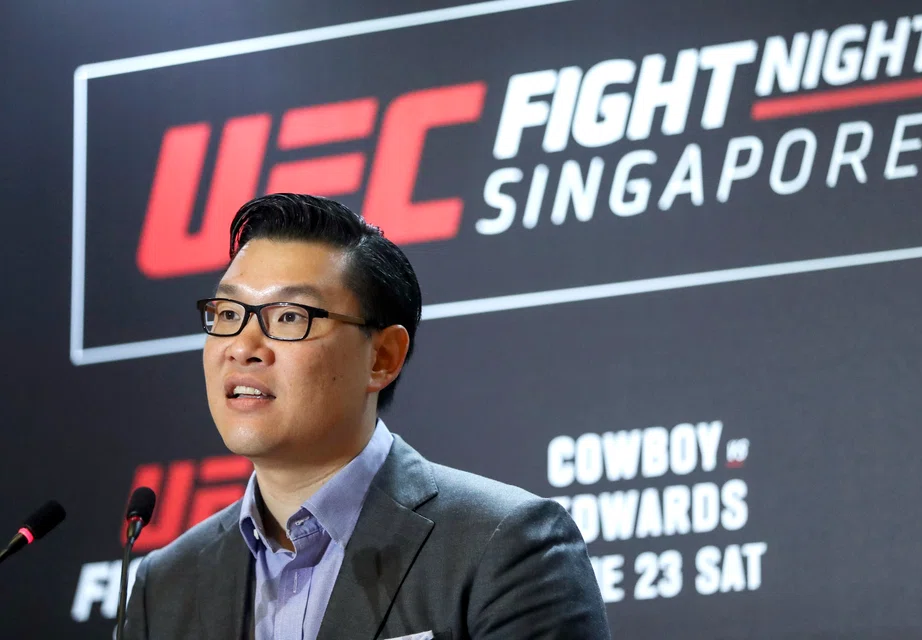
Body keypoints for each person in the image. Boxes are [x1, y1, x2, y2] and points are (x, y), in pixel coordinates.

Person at [124, 193, 611, 639]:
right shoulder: (164, 586)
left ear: (382, 358)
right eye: (229, 314)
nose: (242, 347)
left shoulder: (502, 545)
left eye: (290, 316)